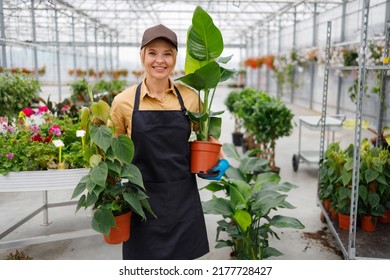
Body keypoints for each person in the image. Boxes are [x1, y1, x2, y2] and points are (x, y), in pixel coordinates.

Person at [109, 24, 229, 260]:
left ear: (175, 58)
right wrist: (113, 187)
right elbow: (112, 149)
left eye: (167, 54)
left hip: (181, 198)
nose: (159, 60)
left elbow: (206, 135)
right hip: (141, 201)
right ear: (142, 55)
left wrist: (221, 160)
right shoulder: (123, 102)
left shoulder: (191, 98)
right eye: (152, 53)